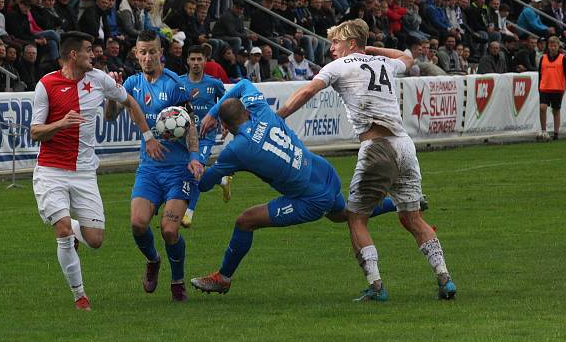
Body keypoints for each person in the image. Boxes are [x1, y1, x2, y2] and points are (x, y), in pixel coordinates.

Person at [277, 19, 456, 301]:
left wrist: (279, 116)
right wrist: (369, 48)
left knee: (356, 218)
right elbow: (406, 58)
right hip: (405, 146)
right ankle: (445, 278)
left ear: (349, 44)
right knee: (412, 218)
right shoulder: (383, 64)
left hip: (377, 147)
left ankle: (376, 286)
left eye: (336, 42)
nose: (332, 48)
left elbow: (308, 91)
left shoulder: (339, 66)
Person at [190, 78, 396, 294]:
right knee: (343, 214)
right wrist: (213, 113)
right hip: (325, 173)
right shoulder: (262, 111)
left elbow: (203, 184)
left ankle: (223, 278)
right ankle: (399, 204)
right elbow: (242, 84)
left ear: (224, 126)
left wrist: (194, 164)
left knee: (245, 221)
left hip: (311, 200)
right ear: (247, 111)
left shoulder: (236, 150)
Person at [30, 31, 163, 311]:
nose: (95, 55)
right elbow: (35, 132)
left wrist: (148, 136)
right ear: (74, 55)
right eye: (90, 50)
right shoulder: (46, 85)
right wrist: (60, 124)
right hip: (51, 171)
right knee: (63, 231)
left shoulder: (100, 80)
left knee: (95, 240)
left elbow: (128, 103)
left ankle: (74, 229)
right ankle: (80, 297)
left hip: (84, 173)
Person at [108, 30, 204, 302]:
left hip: (177, 170)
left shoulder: (174, 84)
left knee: (170, 229)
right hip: (149, 169)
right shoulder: (131, 83)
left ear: (161, 52)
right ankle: (153, 260)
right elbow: (111, 116)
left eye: (152, 52)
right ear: (136, 55)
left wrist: (195, 156)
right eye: (143, 52)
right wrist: (111, 94)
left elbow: (190, 125)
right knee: (138, 224)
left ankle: (177, 281)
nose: (148, 57)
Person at [179, 45, 228, 228]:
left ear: (205, 61)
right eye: (193, 59)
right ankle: (221, 178)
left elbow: (226, 104)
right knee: (186, 170)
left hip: (206, 135)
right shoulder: (179, 82)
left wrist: (224, 123)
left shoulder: (214, 84)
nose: (196, 63)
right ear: (187, 61)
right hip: (186, 137)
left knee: (196, 170)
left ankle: (189, 213)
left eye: (200, 59)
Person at [537, 36, 566, 141]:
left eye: (555, 46)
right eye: (551, 45)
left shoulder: (563, 58)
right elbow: (540, 74)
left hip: (558, 88)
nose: (553, 48)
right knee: (542, 108)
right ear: (548, 46)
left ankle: (556, 133)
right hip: (544, 87)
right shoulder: (543, 58)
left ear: (558, 46)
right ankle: (544, 131)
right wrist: (538, 87)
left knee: (556, 110)